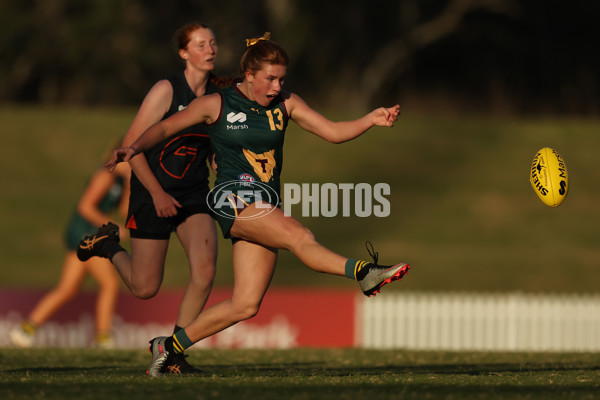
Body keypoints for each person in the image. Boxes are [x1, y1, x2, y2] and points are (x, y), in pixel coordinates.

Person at [94, 33, 410, 376]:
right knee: (299, 236)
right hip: (231, 198)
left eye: (281, 78)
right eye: (270, 79)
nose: (276, 86)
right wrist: (134, 148)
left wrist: (370, 119)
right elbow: (165, 127)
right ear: (249, 76)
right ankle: (364, 272)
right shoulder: (216, 103)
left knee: (246, 305)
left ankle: (168, 347)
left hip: (264, 203)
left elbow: (332, 131)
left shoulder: (286, 103)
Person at [77, 23, 232, 373]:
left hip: (193, 193)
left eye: (213, 43)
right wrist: (158, 193)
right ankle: (106, 245)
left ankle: (173, 354)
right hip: (152, 192)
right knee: (144, 288)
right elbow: (133, 146)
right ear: (184, 53)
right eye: (201, 44)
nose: (210, 49)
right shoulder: (166, 89)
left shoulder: (217, 95)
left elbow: (210, 145)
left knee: (205, 271)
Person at [10, 144, 130, 349]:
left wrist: (130, 180)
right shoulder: (105, 176)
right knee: (109, 284)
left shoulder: (120, 181)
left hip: (88, 234)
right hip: (85, 233)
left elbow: (126, 211)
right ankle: (102, 338)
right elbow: (85, 206)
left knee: (68, 289)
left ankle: (26, 329)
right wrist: (112, 226)